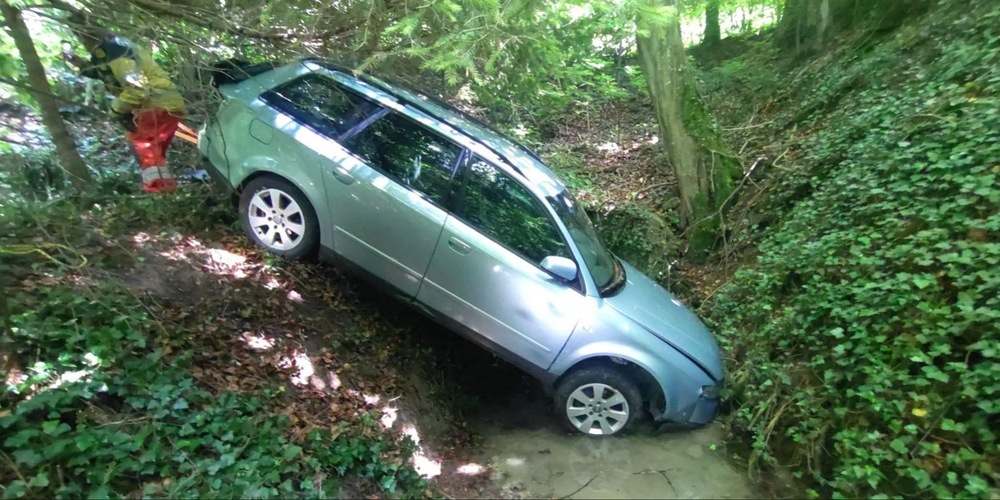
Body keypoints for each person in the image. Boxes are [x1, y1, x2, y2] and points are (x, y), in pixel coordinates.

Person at [63, 15, 185, 193]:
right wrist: (79, 63)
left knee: (144, 146)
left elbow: (137, 89)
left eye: (79, 34)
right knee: (149, 152)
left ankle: (161, 192)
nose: (79, 40)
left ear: (86, 34)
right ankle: (163, 191)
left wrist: (116, 108)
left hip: (157, 103)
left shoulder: (116, 52)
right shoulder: (108, 50)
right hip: (160, 103)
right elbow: (104, 73)